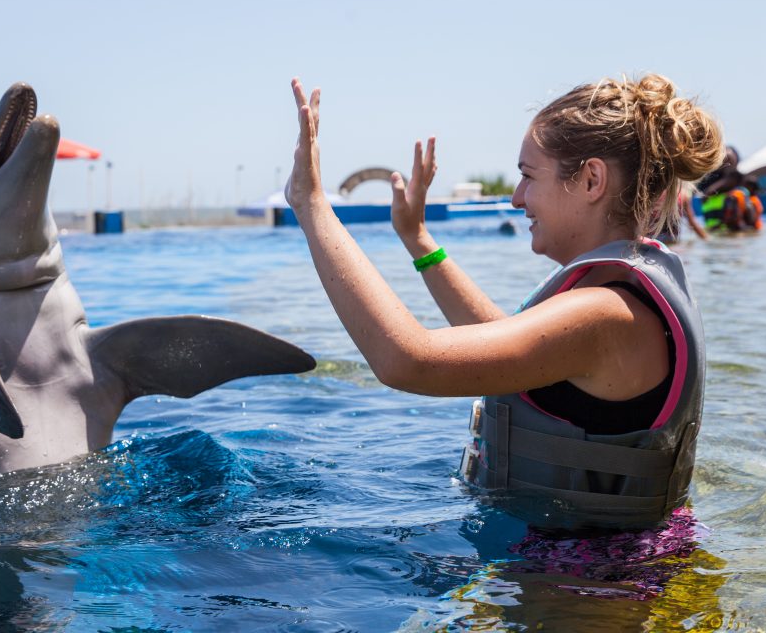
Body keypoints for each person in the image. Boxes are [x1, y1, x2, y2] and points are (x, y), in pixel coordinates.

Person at [285, 74, 725, 532]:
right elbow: (503, 346)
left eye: (528, 177)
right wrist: (417, 240)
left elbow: (408, 361)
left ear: (591, 179)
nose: (517, 199)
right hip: (591, 576)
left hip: (596, 593)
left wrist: (312, 206)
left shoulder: (607, 313)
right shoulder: (615, 301)